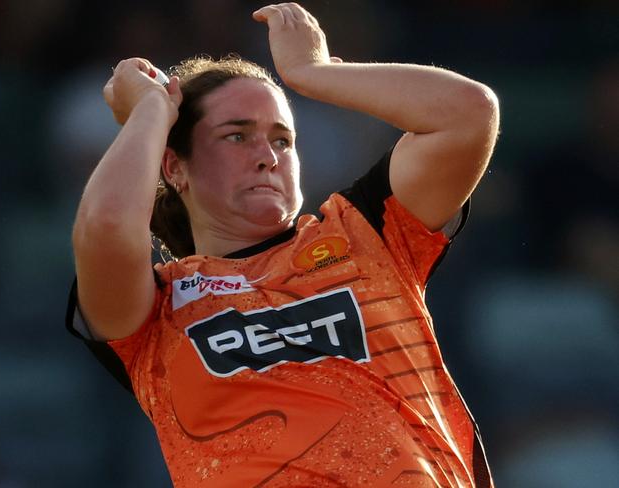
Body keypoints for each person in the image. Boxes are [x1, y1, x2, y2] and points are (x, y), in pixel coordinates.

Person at [67, 3, 499, 486]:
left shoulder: (364, 235)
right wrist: (148, 112)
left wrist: (311, 72)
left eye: (283, 140)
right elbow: (106, 224)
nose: (268, 157)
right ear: (174, 167)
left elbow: (467, 115)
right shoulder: (156, 312)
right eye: (237, 136)